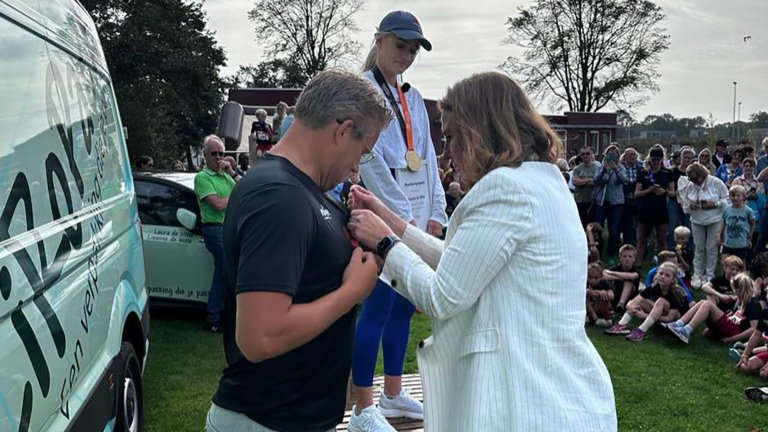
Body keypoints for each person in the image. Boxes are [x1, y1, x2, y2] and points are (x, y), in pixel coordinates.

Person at [346, 71, 617, 431]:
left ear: (479, 132)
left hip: (527, 406)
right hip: (567, 399)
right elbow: (464, 263)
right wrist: (395, 224)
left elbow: (443, 296)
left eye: (453, 136)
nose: (447, 151)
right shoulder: (546, 181)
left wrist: (385, 244)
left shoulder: (504, 189)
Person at [206, 71, 389, 432]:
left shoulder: (299, 190)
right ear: (342, 131)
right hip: (267, 419)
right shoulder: (280, 196)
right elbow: (260, 337)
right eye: (362, 151)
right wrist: (352, 292)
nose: (356, 166)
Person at [350, 11, 448, 430]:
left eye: (412, 50)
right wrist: (400, 221)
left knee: (402, 311)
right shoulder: (361, 94)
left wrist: (436, 213)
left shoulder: (415, 99)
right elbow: (368, 162)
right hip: (382, 219)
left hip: (415, 221)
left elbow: (427, 162)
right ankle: (361, 408)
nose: (405, 56)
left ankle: (391, 394)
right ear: (379, 41)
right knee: (375, 309)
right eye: (399, 46)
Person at [194, 135, 241, 333]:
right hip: (214, 229)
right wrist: (238, 194)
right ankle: (214, 317)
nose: (219, 157)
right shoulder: (202, 178)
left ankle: (219, 315)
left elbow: (249, 189)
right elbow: (219, 204)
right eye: (214, 154)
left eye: (222, 154)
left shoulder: (225, 177)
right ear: (205, 155)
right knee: (225, 273)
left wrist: (232, 172)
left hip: (229, 229)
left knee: (225, 273)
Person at [665, 272, 761, 344]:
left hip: (735, 332)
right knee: (703, 302)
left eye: (736, 289)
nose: (735, 292)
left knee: (708, 304)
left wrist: (732, 339)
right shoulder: (739, 300)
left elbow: (753, 329)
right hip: (730, 326)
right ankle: (678, 324)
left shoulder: (753, 304)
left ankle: (686, 330)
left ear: (743, 289)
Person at [605, 262, 690, 341]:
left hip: (676, 318)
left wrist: (645, 315)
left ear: (673, 279)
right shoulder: (655, 286)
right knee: (640, 301)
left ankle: (641, 330)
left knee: (661, 301)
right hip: (661, 312)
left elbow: (669, 318)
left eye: (667, 275)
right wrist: (629, 307)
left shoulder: (675, 292)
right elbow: (635, 300)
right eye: (661, 273)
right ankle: (622, 324)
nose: (663, 277)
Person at [677, 162, 730, 288]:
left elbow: (727, 199)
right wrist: (691, 205)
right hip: (697, 220)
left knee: (711, 247)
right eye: (692, 179)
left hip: (715, 219)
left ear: (703, 175)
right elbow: (685, 204)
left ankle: (709, 274)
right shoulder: (690, 185)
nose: (695, 182)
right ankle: (698, 273)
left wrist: (714, 204)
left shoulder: (716, 182)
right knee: (699, 247)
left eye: (697, 179)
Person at [634, 145, 674, 264]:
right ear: (649, 159)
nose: (656, 162)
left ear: (662, 159)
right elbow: (637, 193)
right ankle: (637, 264)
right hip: (645, 209)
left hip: (660, 210)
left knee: (662, 240)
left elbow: (672, 193)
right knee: (641, 239)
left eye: (658, 160)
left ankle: (664, 265)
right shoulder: (644, 173)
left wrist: (664, 191)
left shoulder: (667, 173)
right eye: (653, 160)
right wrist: (649, 190)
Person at [592, 144, 628, 263]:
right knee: (598, 229)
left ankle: (611, 254)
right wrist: (603, 169)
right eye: (610, 153)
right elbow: (596, 180)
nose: (612, 156)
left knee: (614, 230)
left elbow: (625, 180)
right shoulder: (600, 166)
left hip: (616, 203)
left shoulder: (621, 167)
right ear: (606, 155)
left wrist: (616, 169)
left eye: (615, 154)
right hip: (601, 202)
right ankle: (597, 254)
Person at [718, 185, 756, 264]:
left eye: (738, 196)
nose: (735, 198)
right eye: (733, 196)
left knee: (741, 264)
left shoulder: (748, 211)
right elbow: (723, 222)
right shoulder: (727, 209)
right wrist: (719, 234)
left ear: (743, 197)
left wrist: (749, 237)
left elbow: (753, 224)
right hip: (728, 243)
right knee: (725, 263)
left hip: (741, 243)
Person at [602, 244, 643, 316]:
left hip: (631, 297)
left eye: (630, 257)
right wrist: (619, 277)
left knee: (628, 281)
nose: (627, 259)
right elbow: (604, 274)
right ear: (620, 258)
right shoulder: (616, 268)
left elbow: (632, 276)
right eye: (624, 256)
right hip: (616, 294)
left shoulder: (637, 269)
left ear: (634, 259)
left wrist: (613, 275)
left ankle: (621, 305)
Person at [667, 147, 695, 250]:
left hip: (688, 204)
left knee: (688, 227)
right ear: (681, 158)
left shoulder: (693, 173)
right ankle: (671, 250)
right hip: (674, 202)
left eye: (689, 158)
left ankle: (688, 251)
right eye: (685, 157)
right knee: (672, 228)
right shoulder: (672, 171)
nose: (687, 160)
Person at [620, 147, 642, 246]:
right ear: (625, 157)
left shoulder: (640, 167)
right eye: (630, 154)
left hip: (638, 198)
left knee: (638, 223)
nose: (632, 157)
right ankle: (628, 243)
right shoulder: (621, 168)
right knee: (627, 223)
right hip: (625, 198)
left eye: (634, 154)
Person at [573, 146, 599, 227]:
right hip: (580, 200)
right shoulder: (577, 169)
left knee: (592, 225)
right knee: (581, 224)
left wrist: (582, 181)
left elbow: (596, 183)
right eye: (583, 154)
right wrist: (589, 180)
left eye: (587, 153)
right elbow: (575, 182)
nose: (585, 156)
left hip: (593, 201)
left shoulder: (597, 168)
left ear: (592, 155)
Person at [587, 262, 615, 327]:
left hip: (598, 307)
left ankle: (606, 318)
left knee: (604, 298)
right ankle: (595, 320)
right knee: (585, 298)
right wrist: (598, 292)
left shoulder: (604, 283)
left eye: (596, 278)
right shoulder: (585, 284)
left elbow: (611, 296)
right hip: (588, 309)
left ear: (601, 277)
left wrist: (598, 293)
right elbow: (586, 292)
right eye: (590, 277)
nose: (593, 280)